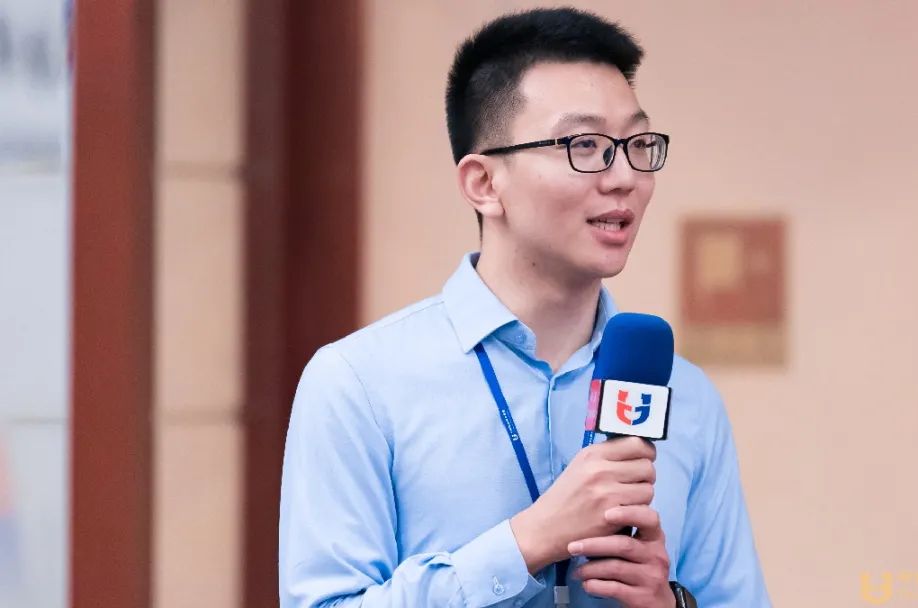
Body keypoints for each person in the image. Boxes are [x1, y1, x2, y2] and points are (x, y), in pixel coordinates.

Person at [279, 7, 770, 607]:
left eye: (637, 144)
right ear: (484, 183)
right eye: (586, 145)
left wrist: (669, 604)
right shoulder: (360, 383)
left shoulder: (685, 395)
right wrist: (525, 542)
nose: (623, 176)